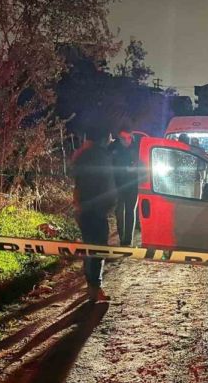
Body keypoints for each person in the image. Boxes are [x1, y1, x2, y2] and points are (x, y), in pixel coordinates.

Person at [72, 125, 116, 302]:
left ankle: (91, 285)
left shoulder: (82, 155)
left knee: (90, 247)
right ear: (103, 139)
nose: (110, 141)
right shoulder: (100, 156)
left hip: (85, 209)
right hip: (95, 210)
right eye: (109, 138)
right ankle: (94, 288)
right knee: (98, 248)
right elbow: (105, 183)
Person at [110, 129, 139, 247]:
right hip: (117, 185)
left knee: (130, 211)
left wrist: (135, 169)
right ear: (119, 137)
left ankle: (128, 241)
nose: (127, 141)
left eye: (129, 138)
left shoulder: (136, 148)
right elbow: (108, 166)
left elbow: (142, 164)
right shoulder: (113, 148)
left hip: (133, 185)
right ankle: (122, 239)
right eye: (124, 138)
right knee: (119, 212)